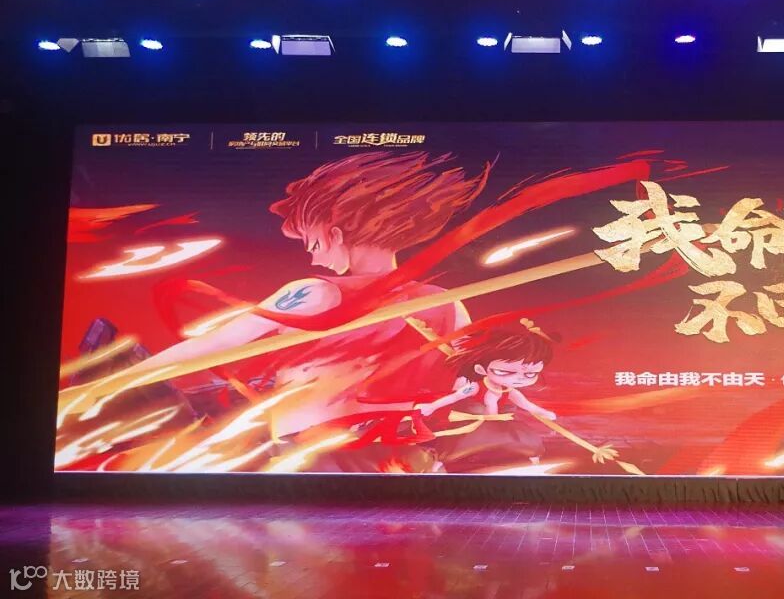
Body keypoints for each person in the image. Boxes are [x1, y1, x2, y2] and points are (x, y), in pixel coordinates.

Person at [125, 151, 489, 464]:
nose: (313, 255)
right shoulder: (447, 303)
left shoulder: (318, 292)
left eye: (313, 242)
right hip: (408, 457)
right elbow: (469, 382)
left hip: (316, 454)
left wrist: (119, 381)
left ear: (335, 233)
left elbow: (216, 343)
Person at [417, 322, 558, 472]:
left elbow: (526, 404)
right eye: (504, 372)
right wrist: (431, 406)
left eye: (530, 374)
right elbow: (455, 397)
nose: (519, 378)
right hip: (475, 426)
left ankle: (533, 460)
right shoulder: (475, 386)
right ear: (480, 369)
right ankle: (439, 463)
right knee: (459, 445)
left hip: (501, 425)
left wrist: (543, 412)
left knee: (526, 438)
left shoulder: (508, 390)